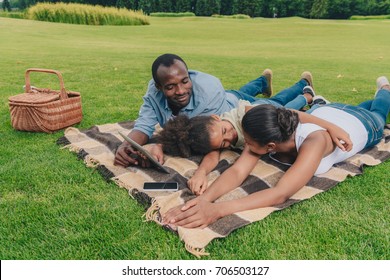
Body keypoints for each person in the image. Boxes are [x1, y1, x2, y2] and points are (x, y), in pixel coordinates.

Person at [161, 76, 390, 229]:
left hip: (364, 123)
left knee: (379, 109)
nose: (244, 146)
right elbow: (237, 172)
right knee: (354, 105)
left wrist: (217, 210)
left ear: (269, 147)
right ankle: (330, 102)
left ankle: (384, 88)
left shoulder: (314, 141)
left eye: (248, 142)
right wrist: (202, 201)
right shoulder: (266, 130)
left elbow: (280, 193)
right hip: (326, 111)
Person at [157, 84, 335, 195]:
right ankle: (311, 98)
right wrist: (200, 173)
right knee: (282, 103)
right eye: (224, 143)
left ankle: (307, 95)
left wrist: (332, 127)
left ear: (217, 118)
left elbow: (290, 115)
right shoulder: (214, 138)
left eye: (225, 131)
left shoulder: (245, 117)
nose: (230, 137)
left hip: (265, 113)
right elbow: (212, 156)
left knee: (283, 105)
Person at [114, 53, 274, 167]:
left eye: (185, 81)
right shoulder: (154, 91)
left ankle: (299, 89)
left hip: (235, 106)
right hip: (228, 94)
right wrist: (127, 145)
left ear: (189, 76)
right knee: (238, 91)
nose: (181, 91)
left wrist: (161, 146)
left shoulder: (209, 91)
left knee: (275, 104)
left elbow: (194, 137)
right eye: (170, 87)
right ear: (159, 87)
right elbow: (143, 126)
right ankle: (262, 82)